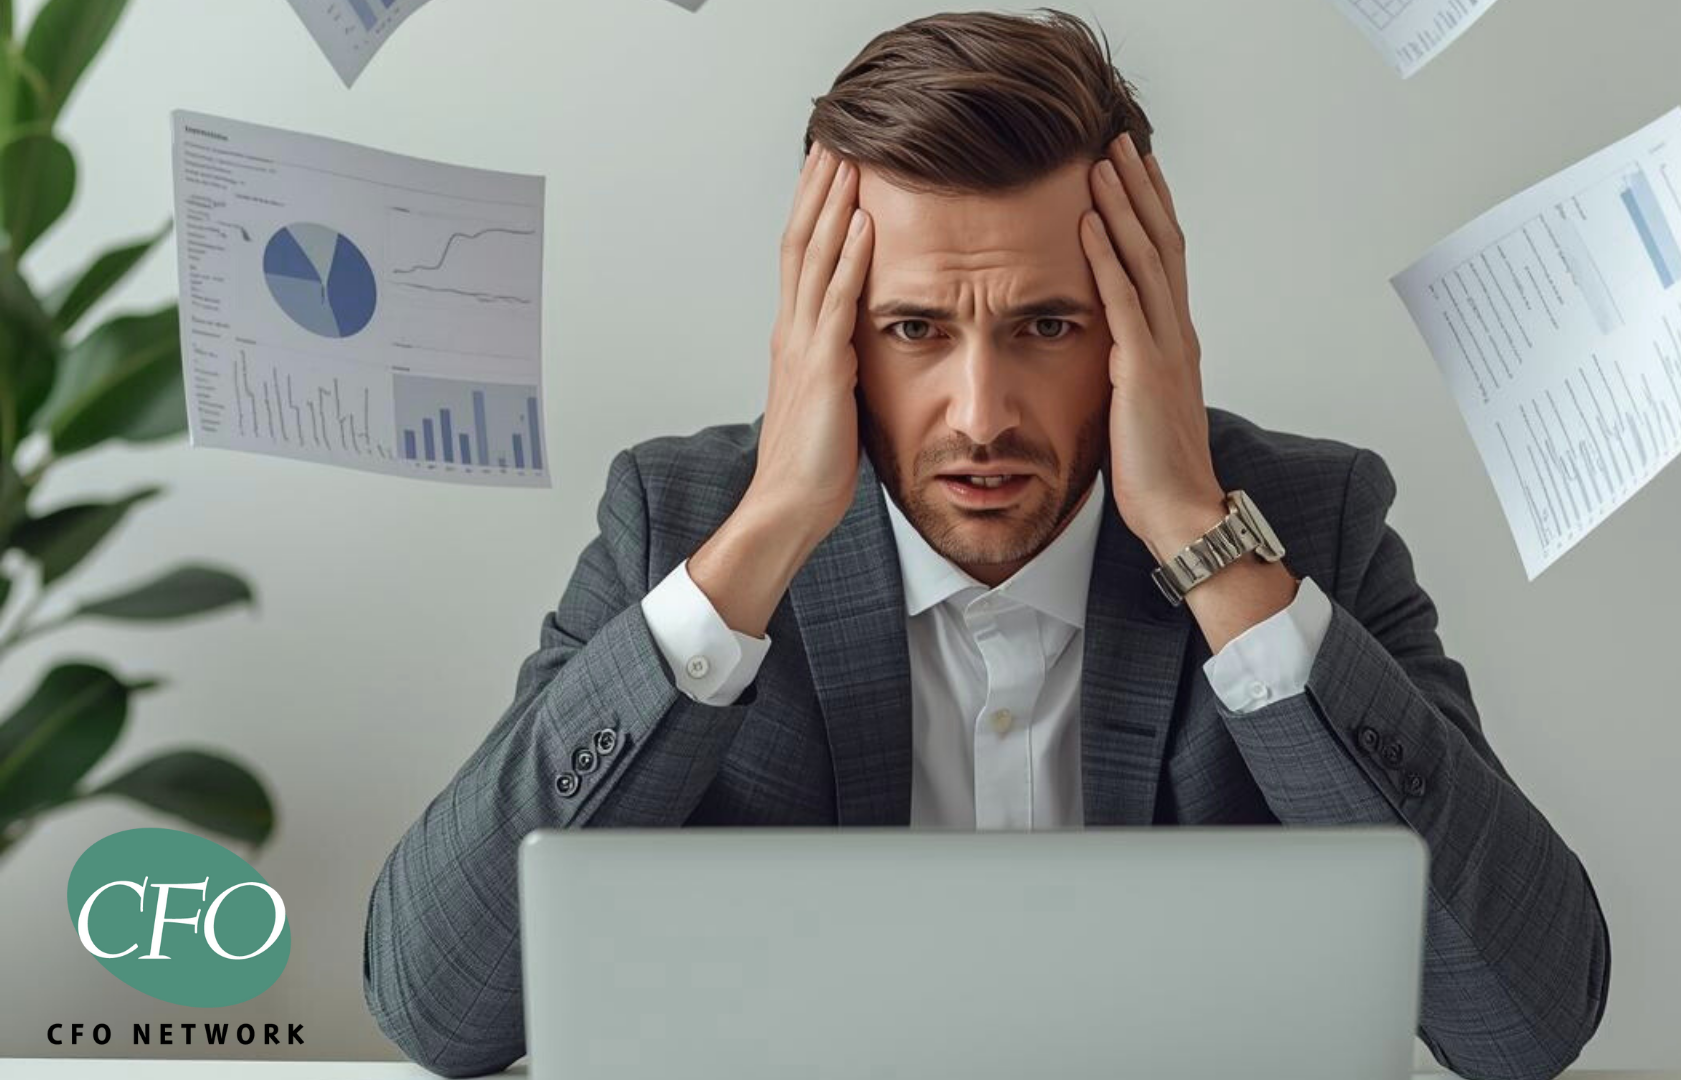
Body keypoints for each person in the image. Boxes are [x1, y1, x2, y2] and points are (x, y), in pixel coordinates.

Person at [364, 10, 1609, 1079]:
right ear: (830, 337)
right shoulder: (683, 524)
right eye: (913, 329)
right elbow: (438, 1006)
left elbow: (1524, 1022)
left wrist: (1202, 537)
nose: (980, 414)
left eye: (1047, 325)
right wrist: (767, 533)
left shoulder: (1301, 524)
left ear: (1138, 324)